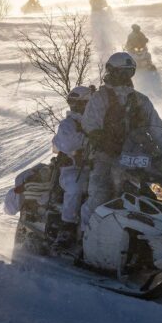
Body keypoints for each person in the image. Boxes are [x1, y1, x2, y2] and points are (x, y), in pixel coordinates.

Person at [80, 52, 162, 225]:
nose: (126, 77)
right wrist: (102, 139)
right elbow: (90, 124)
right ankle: (85, 236)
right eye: (122, 72)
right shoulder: (100, 98)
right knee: (99, 194)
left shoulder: (141, 100)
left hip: (138, 158)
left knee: (160, 194)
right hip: (106, 157)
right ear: (111, 72)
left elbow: (158, 129)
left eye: (129, 72)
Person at [51, 86, 92, 249]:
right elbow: (68, 143)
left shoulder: (97, 121)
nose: (76, 107)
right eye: (73, 103)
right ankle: (67, 229)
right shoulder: (68, 124)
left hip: (100, 168)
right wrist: (89, 140)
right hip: (73, 170)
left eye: (80, 103)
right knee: (76, 188)